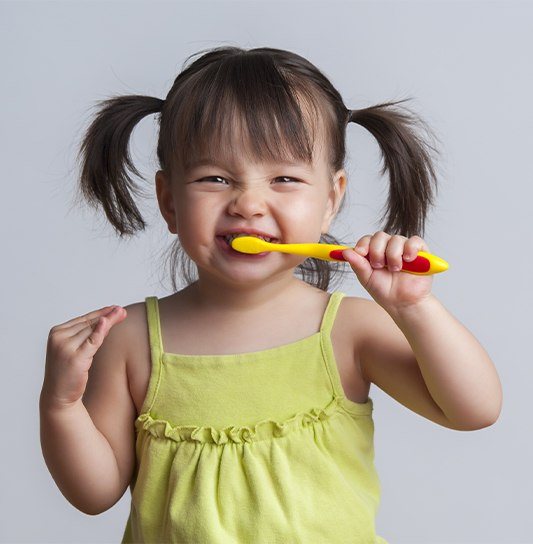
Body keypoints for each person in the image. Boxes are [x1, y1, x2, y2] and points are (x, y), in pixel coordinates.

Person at [39, 46, 502, 543]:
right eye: (214, 178)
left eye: (284, 178)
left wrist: (415, 308)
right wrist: (61, 405)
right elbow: (94, 494)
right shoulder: (129, 339)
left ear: (329, 200)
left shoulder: (348, 331)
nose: (249, 204)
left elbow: (472, 410)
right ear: (169, 201)